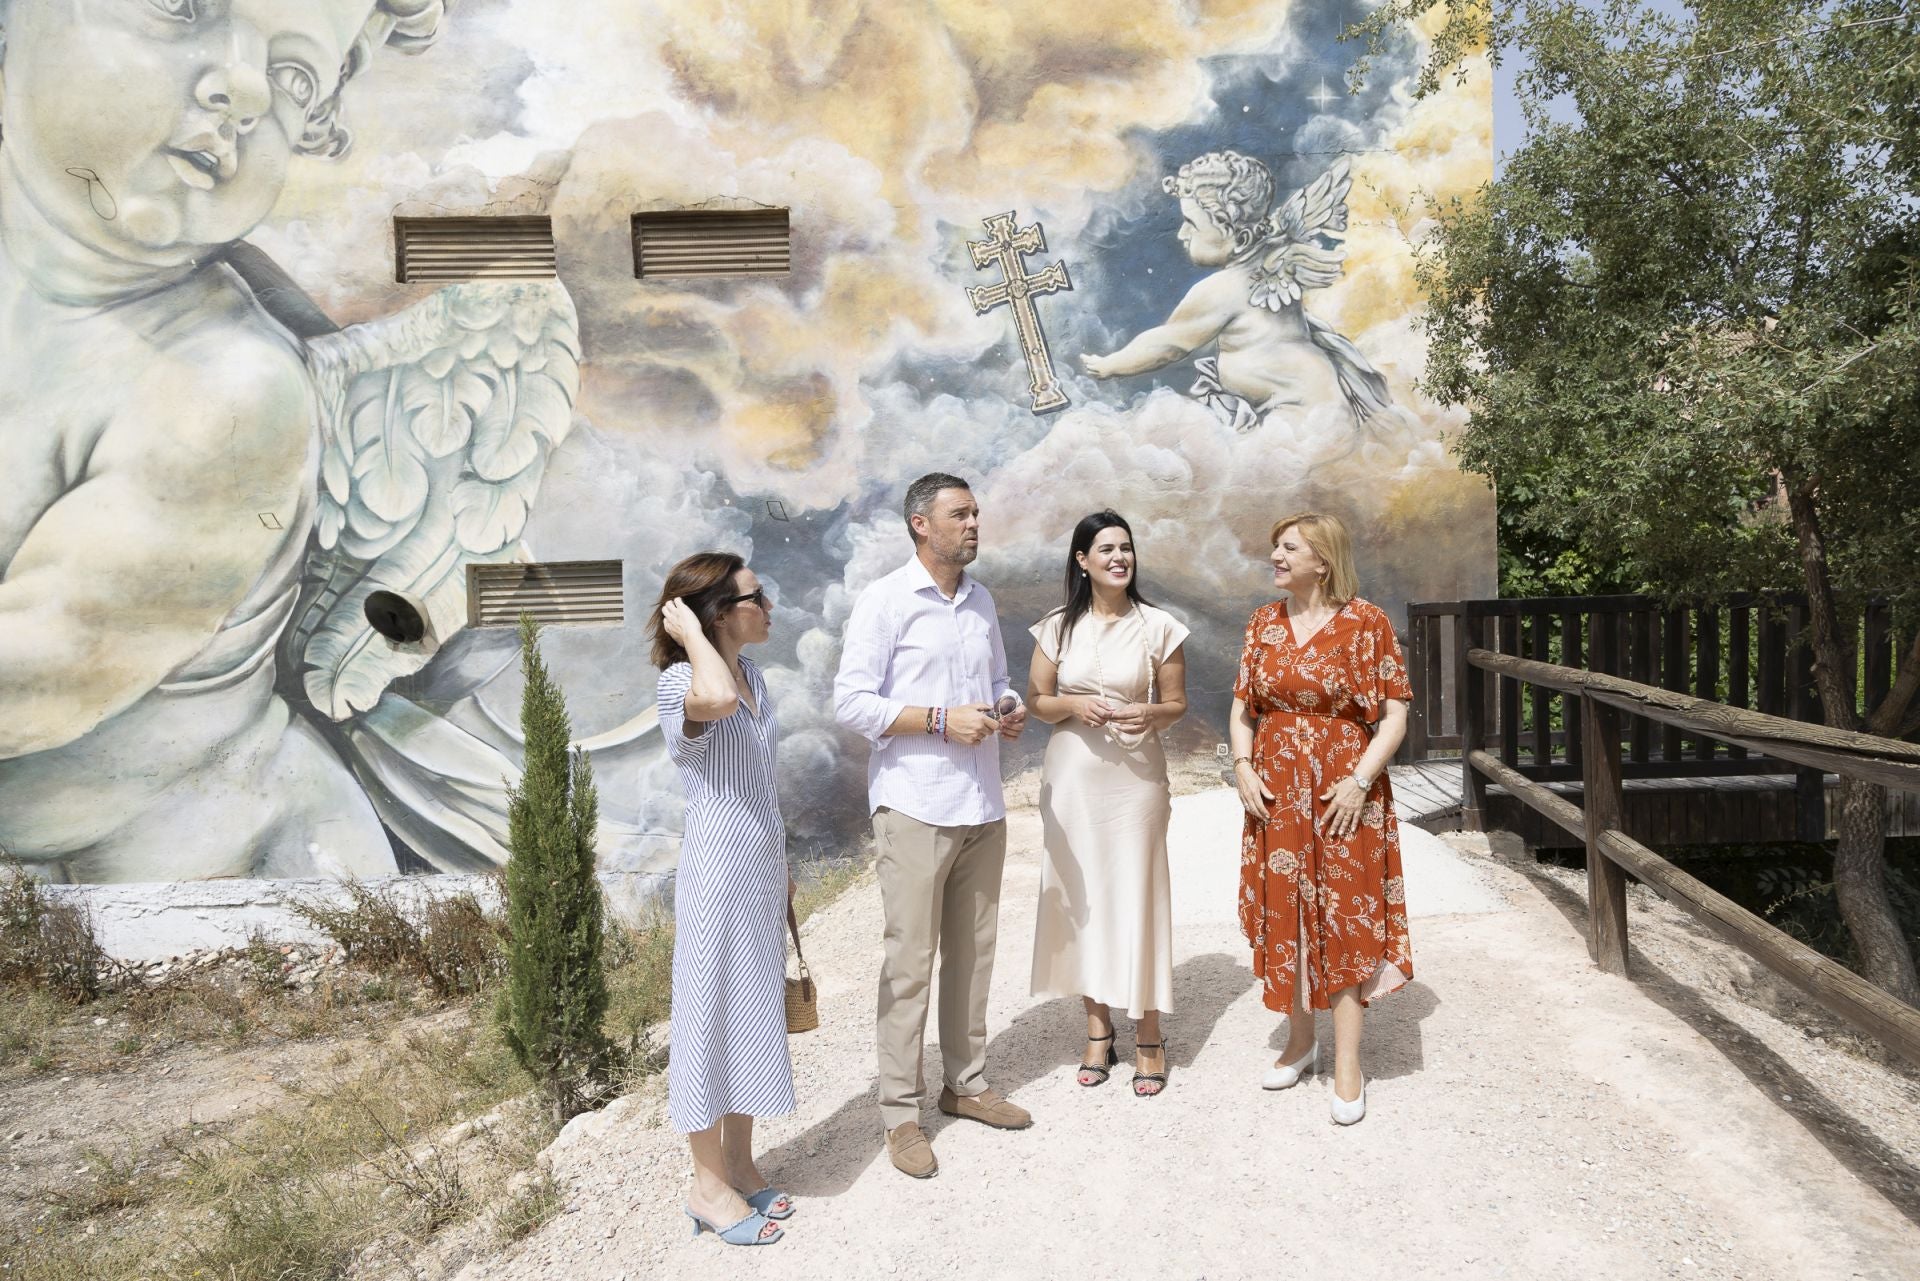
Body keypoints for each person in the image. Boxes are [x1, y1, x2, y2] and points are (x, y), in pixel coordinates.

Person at [834, 472, 1030, 1179]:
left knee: (974, 956)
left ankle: (967, 1083)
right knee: (910, 964)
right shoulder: (884, 601)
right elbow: (851, 702)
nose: (974, 523)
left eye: (977, 511)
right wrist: (942, 720)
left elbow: (1000, 676)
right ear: (922, 524)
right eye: (960, 513)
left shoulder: (981, 600)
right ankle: (900, 1114)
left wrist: (1005, 706)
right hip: (915, 804)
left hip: (982, 804)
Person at [1229, 511, 1412, 1125]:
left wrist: (1361, 781)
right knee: (1288, 911)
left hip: (1343, 792)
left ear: (1322, 561)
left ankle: (1348, 1066)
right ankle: (1301, 1042)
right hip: (1276, 792)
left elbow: (1393, 719)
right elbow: (1242, 709)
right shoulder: (1262, 623)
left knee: (1344, 917)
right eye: (1275, 546)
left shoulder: (1368, 623)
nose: (1276, 556)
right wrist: (1243, 765)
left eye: (1288, 548)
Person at [650, 552, 796, 1246]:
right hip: (715, 877)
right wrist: (692, 640)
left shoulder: (755, 677)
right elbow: (715, 703)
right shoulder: (684, 680)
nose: (768, 606)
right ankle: (706, 1187)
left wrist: (784, 864)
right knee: (708, 1021)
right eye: (754, 597)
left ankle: (738, 1163)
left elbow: (761, 781)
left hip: (760, 871)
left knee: (751, 1014)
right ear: (714, 613)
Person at [1025, 510, 1189, 1096]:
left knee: (1137, 894)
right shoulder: (1055, 628)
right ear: (1082, 561)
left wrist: (1148, 712)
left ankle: (1148, 1033)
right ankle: (1098, 1031)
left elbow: (1176, 705)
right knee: (1083, 898)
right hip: (1072, 781)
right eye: (1106, 549)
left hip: (1137, 780)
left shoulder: (1160, 626)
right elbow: (1036, 701)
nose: (1119, 557)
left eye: (1126, 548)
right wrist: (1071, 705)